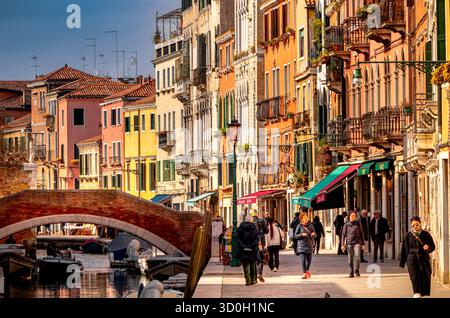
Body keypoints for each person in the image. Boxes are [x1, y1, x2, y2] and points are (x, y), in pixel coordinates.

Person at [400, 216, 436, 298]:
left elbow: (433, 246)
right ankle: (416, 292)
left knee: (425, 275)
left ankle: (424, 293)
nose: (415, 227)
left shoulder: (426, 234)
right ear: (411, 225)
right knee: (414, 276)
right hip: (412, 259)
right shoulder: (408, 235)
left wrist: (428, 248)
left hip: (424, 258)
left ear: (420, 224)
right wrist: (402, 262)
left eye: (417, 225)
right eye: (413, 225)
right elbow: (404, 249)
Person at [236, 214, 260, 286]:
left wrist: (243, 245)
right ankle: (253, 280)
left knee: (245, 265)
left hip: (243, 249)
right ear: (251, 220)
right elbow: (257, 239)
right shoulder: (254, 228)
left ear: (245, 220)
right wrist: (252, 245)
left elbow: (238, 238)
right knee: (252, 264)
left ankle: (248, 280)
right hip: (252, 249)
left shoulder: (240, 227)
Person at [342, 211, 365, 278]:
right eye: (352, 216)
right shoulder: (346, 224)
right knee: (350, 258)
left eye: (354, 216)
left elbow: (361, 233)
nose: (353, 217)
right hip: (349, 243)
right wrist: (343, 245)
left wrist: (363, 244)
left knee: (357, 256)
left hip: (357, 242)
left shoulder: (358, 223)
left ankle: (356, 270)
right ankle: (351, 272)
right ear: (349, 217)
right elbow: (343, 235)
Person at [294, 212, 316, 279]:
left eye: (306, 217)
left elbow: (315, 233)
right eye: (305, 217)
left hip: (309, 245)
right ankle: (304, 273)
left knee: (309, 261)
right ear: (301, 219)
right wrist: (301, 235)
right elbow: (295, 236)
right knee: (303, 261)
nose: (306, 218)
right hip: (301, 246)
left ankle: (307, 270)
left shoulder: (310, 225)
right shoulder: (299, 226)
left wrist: (313, 234)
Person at [251, 209, 269, 283]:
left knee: (252, 260)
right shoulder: (261, 221)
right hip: (260, 243)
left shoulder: (249, 223)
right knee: (260, 259)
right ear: (256, 214)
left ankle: (253, 276)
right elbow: (267, 231)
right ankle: (259, 273)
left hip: (251, 243)